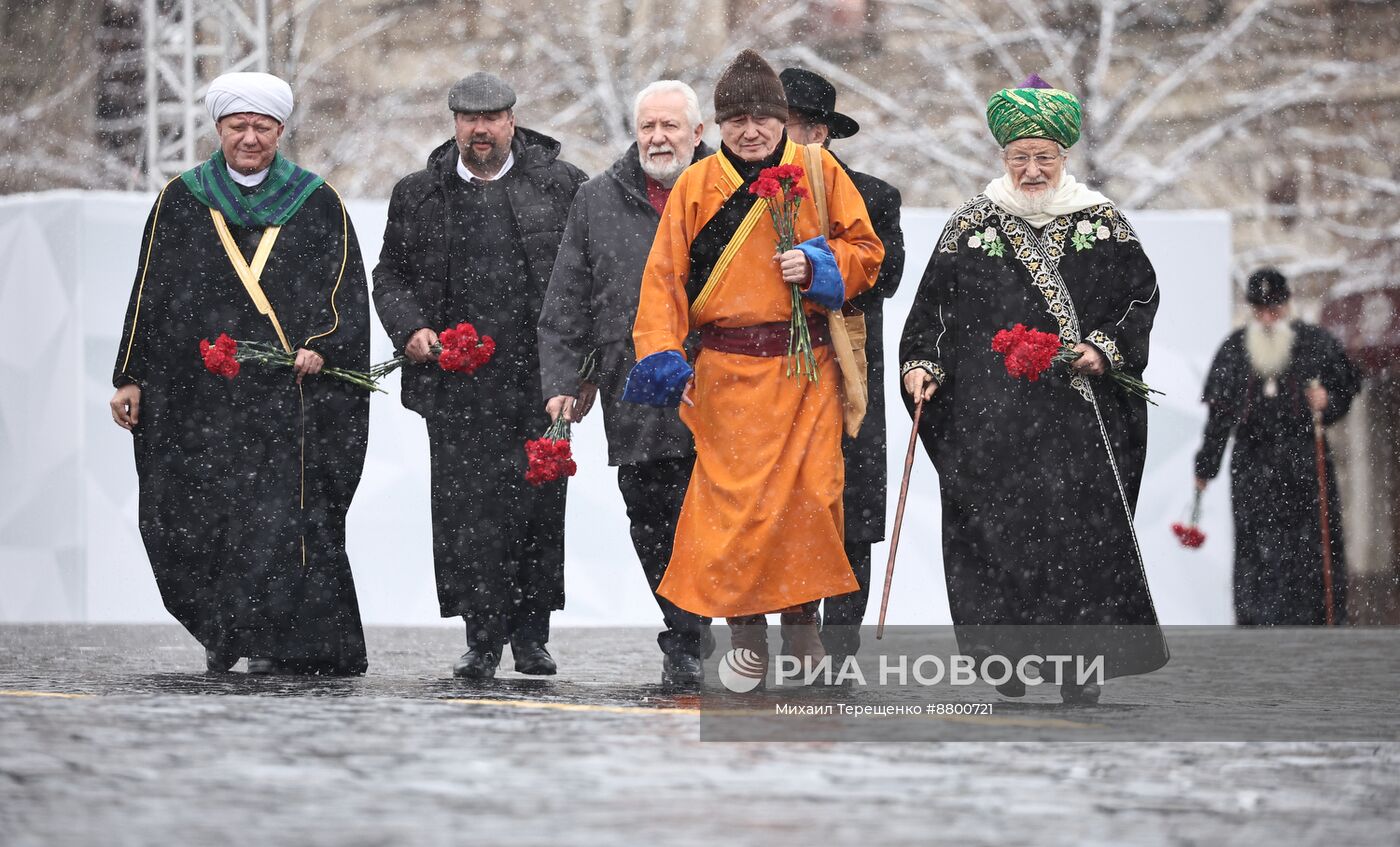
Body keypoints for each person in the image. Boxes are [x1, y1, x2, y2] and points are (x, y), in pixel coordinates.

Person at [898, 74, 1168, 704]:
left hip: (1075, 426)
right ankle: (1005, 662)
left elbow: (1141, 298)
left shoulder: (1101, 224)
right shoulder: (969, 227)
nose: (1032, 169)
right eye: (1020, 158)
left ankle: (1082, 669)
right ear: (1003, 159)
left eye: (1043, 157)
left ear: (1064, 158)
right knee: (995, 540)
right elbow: (932, 314)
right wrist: (921, 366)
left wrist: (1102, 349)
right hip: (989, 426)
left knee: (1080, 545)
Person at [624, 50, 884, 667]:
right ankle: (744, 633)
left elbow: (867, 252)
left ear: (781, 119)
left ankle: (802, 625)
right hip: (727, 376)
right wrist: (662, 353)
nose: (750, 131)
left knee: (810, 502)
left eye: (762, 118)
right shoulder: (696, 182)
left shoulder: (818, 171)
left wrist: (821, 266)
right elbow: (663, 280)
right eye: (736, 119)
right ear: (717, 126)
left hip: (806, 369)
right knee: (734, 511)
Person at [109, 72, 370, 675]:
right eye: (238, 126)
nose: (250, 138)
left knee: (279, 525)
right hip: (198, 398)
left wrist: (321, 346)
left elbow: (343, 290)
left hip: (285, 400)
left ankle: (281, 640)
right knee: (193, 517)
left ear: (280, 130)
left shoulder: (316, 200)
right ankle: (222, 630)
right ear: (220, 129)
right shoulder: (182, 198)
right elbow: (150, 292)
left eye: (262, 127)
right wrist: (130, 374)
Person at [373, 72, 587, 679]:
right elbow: (388, 276)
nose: (481, 129)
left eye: (493, 117)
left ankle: (532, 636)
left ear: (512, 120)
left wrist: (580, 370)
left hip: (540, 382)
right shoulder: (418, 193)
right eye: (470, 119)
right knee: (468, 513)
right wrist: (411, 329)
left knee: (539, 507)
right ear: (455, 124)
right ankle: (481, 638)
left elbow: (587, 279)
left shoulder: (562, 186)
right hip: (458, 383)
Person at [537, 81, 715, 685]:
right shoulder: (597, 198)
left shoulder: (735, 190)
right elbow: (568, 294)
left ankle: (711, 628)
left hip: (725, 380)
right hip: (635, 384)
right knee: (652, 512)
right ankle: (683, 634)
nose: (658, 138)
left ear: (698, 132)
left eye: (671, 126)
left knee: (720, 512)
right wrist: (565, 376)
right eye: (648, 127)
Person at [780, 67, 905, 665]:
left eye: (794, 126)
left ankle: (842, 640)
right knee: (782, 505)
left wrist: (818, 265)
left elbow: (886, 276)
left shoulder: (874, 196)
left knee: (851, 511)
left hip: (850, 373)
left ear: (821, 133)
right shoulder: (749, 195)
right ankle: (794, 630)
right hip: (775, 375)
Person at [1194, 268, 1361, 625]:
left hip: (1304, 462)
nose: (1268, 318)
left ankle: (1316, 624)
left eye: (1275, 309)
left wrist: (1327, 401)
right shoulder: (1234, 350)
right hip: (1253, 468)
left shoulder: (1315, 343)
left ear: (1288, 305)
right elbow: (1219, 417)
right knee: (1258, 552)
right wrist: (1205, 468)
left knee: (1311, 551)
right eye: (1260, 310)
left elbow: (1346, 390)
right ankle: (1260, 626)